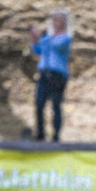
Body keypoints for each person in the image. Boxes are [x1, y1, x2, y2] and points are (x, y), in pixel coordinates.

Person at [28, 10, 72, 142]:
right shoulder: (47, 38)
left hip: (57, 75)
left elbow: (56, 46)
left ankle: (56, 135)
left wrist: (40, 37)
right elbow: (37, 52)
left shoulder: (65, 38)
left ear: (64, 22)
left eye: (57, 19)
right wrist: (33, 40)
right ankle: (40, 134)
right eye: (53, 19)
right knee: (39, 104)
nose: (55, 22)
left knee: (56, 105)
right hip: (43, 74)